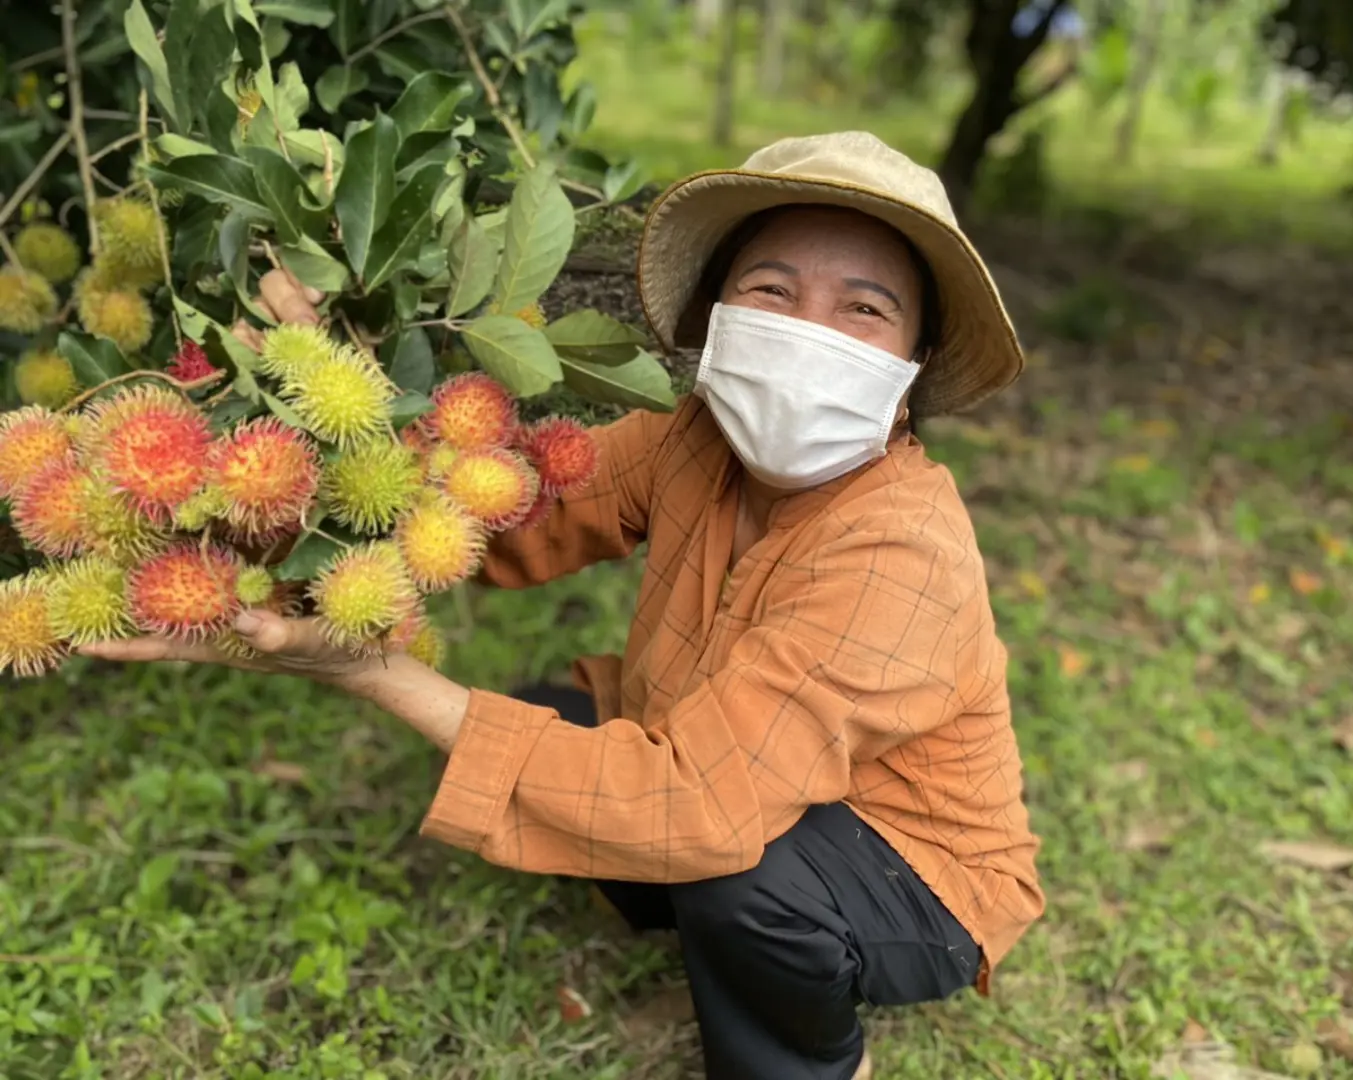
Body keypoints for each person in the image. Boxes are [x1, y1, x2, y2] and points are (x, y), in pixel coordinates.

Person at [83, 131, 1045, 1080]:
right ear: (719, 314)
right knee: (566, 720)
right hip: (736, 771)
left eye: (865, 308)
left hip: (916, 874)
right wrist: (322, 418)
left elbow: (702, 806)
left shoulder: (903, 547)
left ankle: (817, 1061)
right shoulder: (693, 440)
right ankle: (724, 956)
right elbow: (505, 512)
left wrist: (379, 673)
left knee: (741, 875)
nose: (809, 330)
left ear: (914, 364)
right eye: (773, 291)